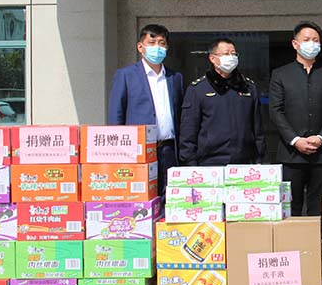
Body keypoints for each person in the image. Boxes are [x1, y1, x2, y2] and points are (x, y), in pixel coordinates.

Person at [269, 21, 322, 216]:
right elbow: (276, 111)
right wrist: (295, 140)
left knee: (318, 207)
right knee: (290, 207)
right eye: (307, 39)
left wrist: (321, 138)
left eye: (316, 40)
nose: (312, 44)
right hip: (291, 154)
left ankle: (316, 235)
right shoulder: (280, 74)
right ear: (295, 44)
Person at [108, 24, 184, 196]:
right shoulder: (125, 75)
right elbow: (116, 114)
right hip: (138, 151)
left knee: (169, 196)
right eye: (152, 42)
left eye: (162, 43)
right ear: (140, 47)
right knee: (141, 197)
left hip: (168, 149)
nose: (157, 47)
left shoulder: (175, 77)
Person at [179, 37, 265, 166]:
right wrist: (190, 162)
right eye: (226, 54)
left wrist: (259, 159)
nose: (231, 57)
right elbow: (188, 131)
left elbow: (257, 128)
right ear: (212, 58)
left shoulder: (248, 87)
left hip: (244, 162)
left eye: (233, 54)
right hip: (210, 163)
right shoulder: (198, 89)